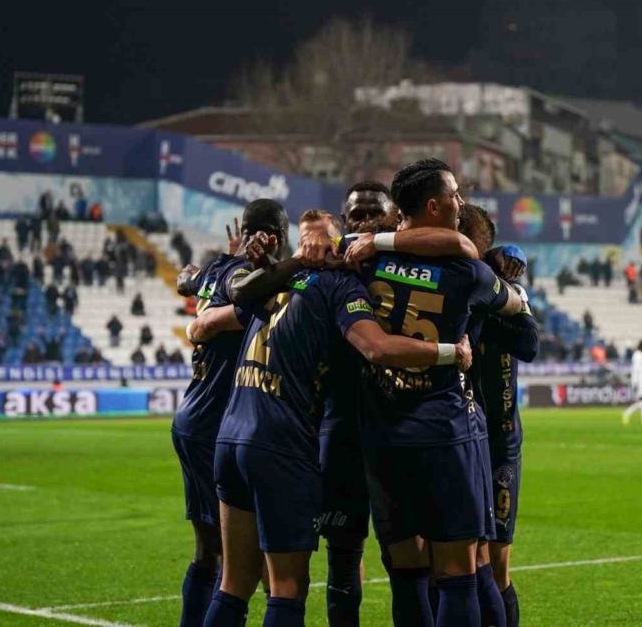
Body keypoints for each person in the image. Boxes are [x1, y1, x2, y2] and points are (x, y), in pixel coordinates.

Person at [201, 229, 476, 627]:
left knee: (234, 583)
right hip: (280, 441)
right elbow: (376, 347)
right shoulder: (340, 285)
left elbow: (213, 319)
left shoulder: (279, 279)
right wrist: (452, 353)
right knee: (288, 587)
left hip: (231, 433)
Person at [332, 160, 524, 627]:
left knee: (406, 576)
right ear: (435, 206)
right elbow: (515, 306)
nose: (461, 203)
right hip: (447, 433)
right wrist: (509, 279)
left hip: (384, 437)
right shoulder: (467, 271)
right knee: (460, 575)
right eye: (455, 195)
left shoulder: (360, 259)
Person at [172, 201, 291, 627]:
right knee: (245, 562)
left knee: (209, 551)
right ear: (275, 236)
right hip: (216, 423)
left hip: (193, 416)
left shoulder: (216, 267)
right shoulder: (242, 277)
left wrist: (193, 287)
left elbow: (187, 278)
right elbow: (244, 295)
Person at [457, 204, 539, 627]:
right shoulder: (447, 285)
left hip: (500, 441)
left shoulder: (506, 290)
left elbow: (529, 345)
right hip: (456, 435)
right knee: (455, 561)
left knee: (495, 565)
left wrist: (486, 304)